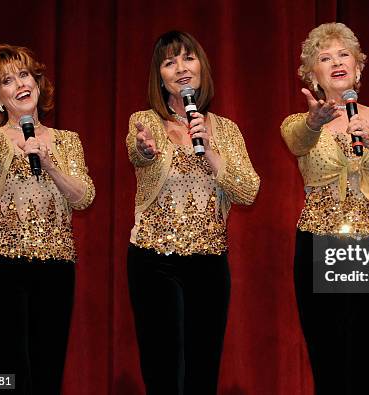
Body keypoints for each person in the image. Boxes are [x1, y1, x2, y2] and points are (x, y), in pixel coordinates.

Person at [281, 22, 369, 394]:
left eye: (343, 54)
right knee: (330, 368)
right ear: (313, 75)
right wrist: (314, 124)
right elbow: (298, 141)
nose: (336, 62)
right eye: (324, 58)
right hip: (320, 249)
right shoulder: (300, 123)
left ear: (359, 66)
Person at [126, 30, 260, 395]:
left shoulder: (226, 130)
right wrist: (147, 150)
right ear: (160, 77)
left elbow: (249, 190)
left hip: (210, 263)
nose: (181, 68)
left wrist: (212, 152)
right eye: (170, 63)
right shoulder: (145, 122)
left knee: (203, 372)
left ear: (201, 65)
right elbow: (138, 153)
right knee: (165, 372)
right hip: (154, 261)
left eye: (188, 58)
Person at [0, 44, 95, 394]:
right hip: (2, 267)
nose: (20, 83)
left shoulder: (67, 142)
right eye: (7, 80)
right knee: (10, 376)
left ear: (37, 81)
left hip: (56, 266)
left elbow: (85, 197)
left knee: (47, 374)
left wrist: (49, 162)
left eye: (24, 74)